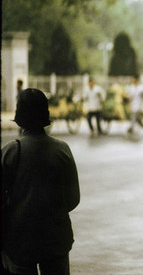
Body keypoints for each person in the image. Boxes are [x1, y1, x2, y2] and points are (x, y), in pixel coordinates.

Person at [1, 88, 80, 275]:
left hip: (19, 241)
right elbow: (73, 198)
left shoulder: (9, 153)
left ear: (19, 116)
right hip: (56, 239)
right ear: (46, 114)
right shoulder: (62, 150)